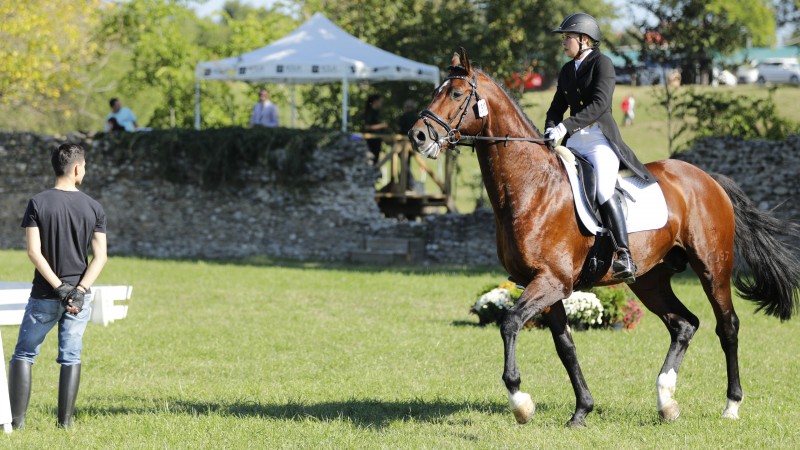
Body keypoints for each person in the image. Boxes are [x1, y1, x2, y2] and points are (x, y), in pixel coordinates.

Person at [544, 12, 656, 284]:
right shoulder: (566, 70)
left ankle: (624, 253)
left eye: (567, 37)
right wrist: (550, 128)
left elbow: (599, 105)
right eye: (563, 37)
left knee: (604, 190)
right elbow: (556, 107)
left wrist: (564, 126)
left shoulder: (602, 64)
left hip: (599, 141)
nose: (563, 42)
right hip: (573, 143)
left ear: (584, 39)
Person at [8, 143, 108, 429]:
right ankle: (64, 424)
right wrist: (79, 291)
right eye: (84, 167)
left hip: (44, 294)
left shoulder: (37, 203)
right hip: (78, 299)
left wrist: (59, 287)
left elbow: (33, 252)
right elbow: (101, 257)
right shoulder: (94, 207)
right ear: (77, 169)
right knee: (70, 356)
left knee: (24, 354)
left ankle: (16, 423)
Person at [363, 94, 389, 165]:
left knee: (375, 160)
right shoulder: (370, 112)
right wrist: (382, 125)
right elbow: (367, 127)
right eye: (380, 102)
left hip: (377, 140)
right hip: (371, 141)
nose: (381, 104)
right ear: (375, 101)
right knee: (371, 160)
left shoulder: (377, 113)